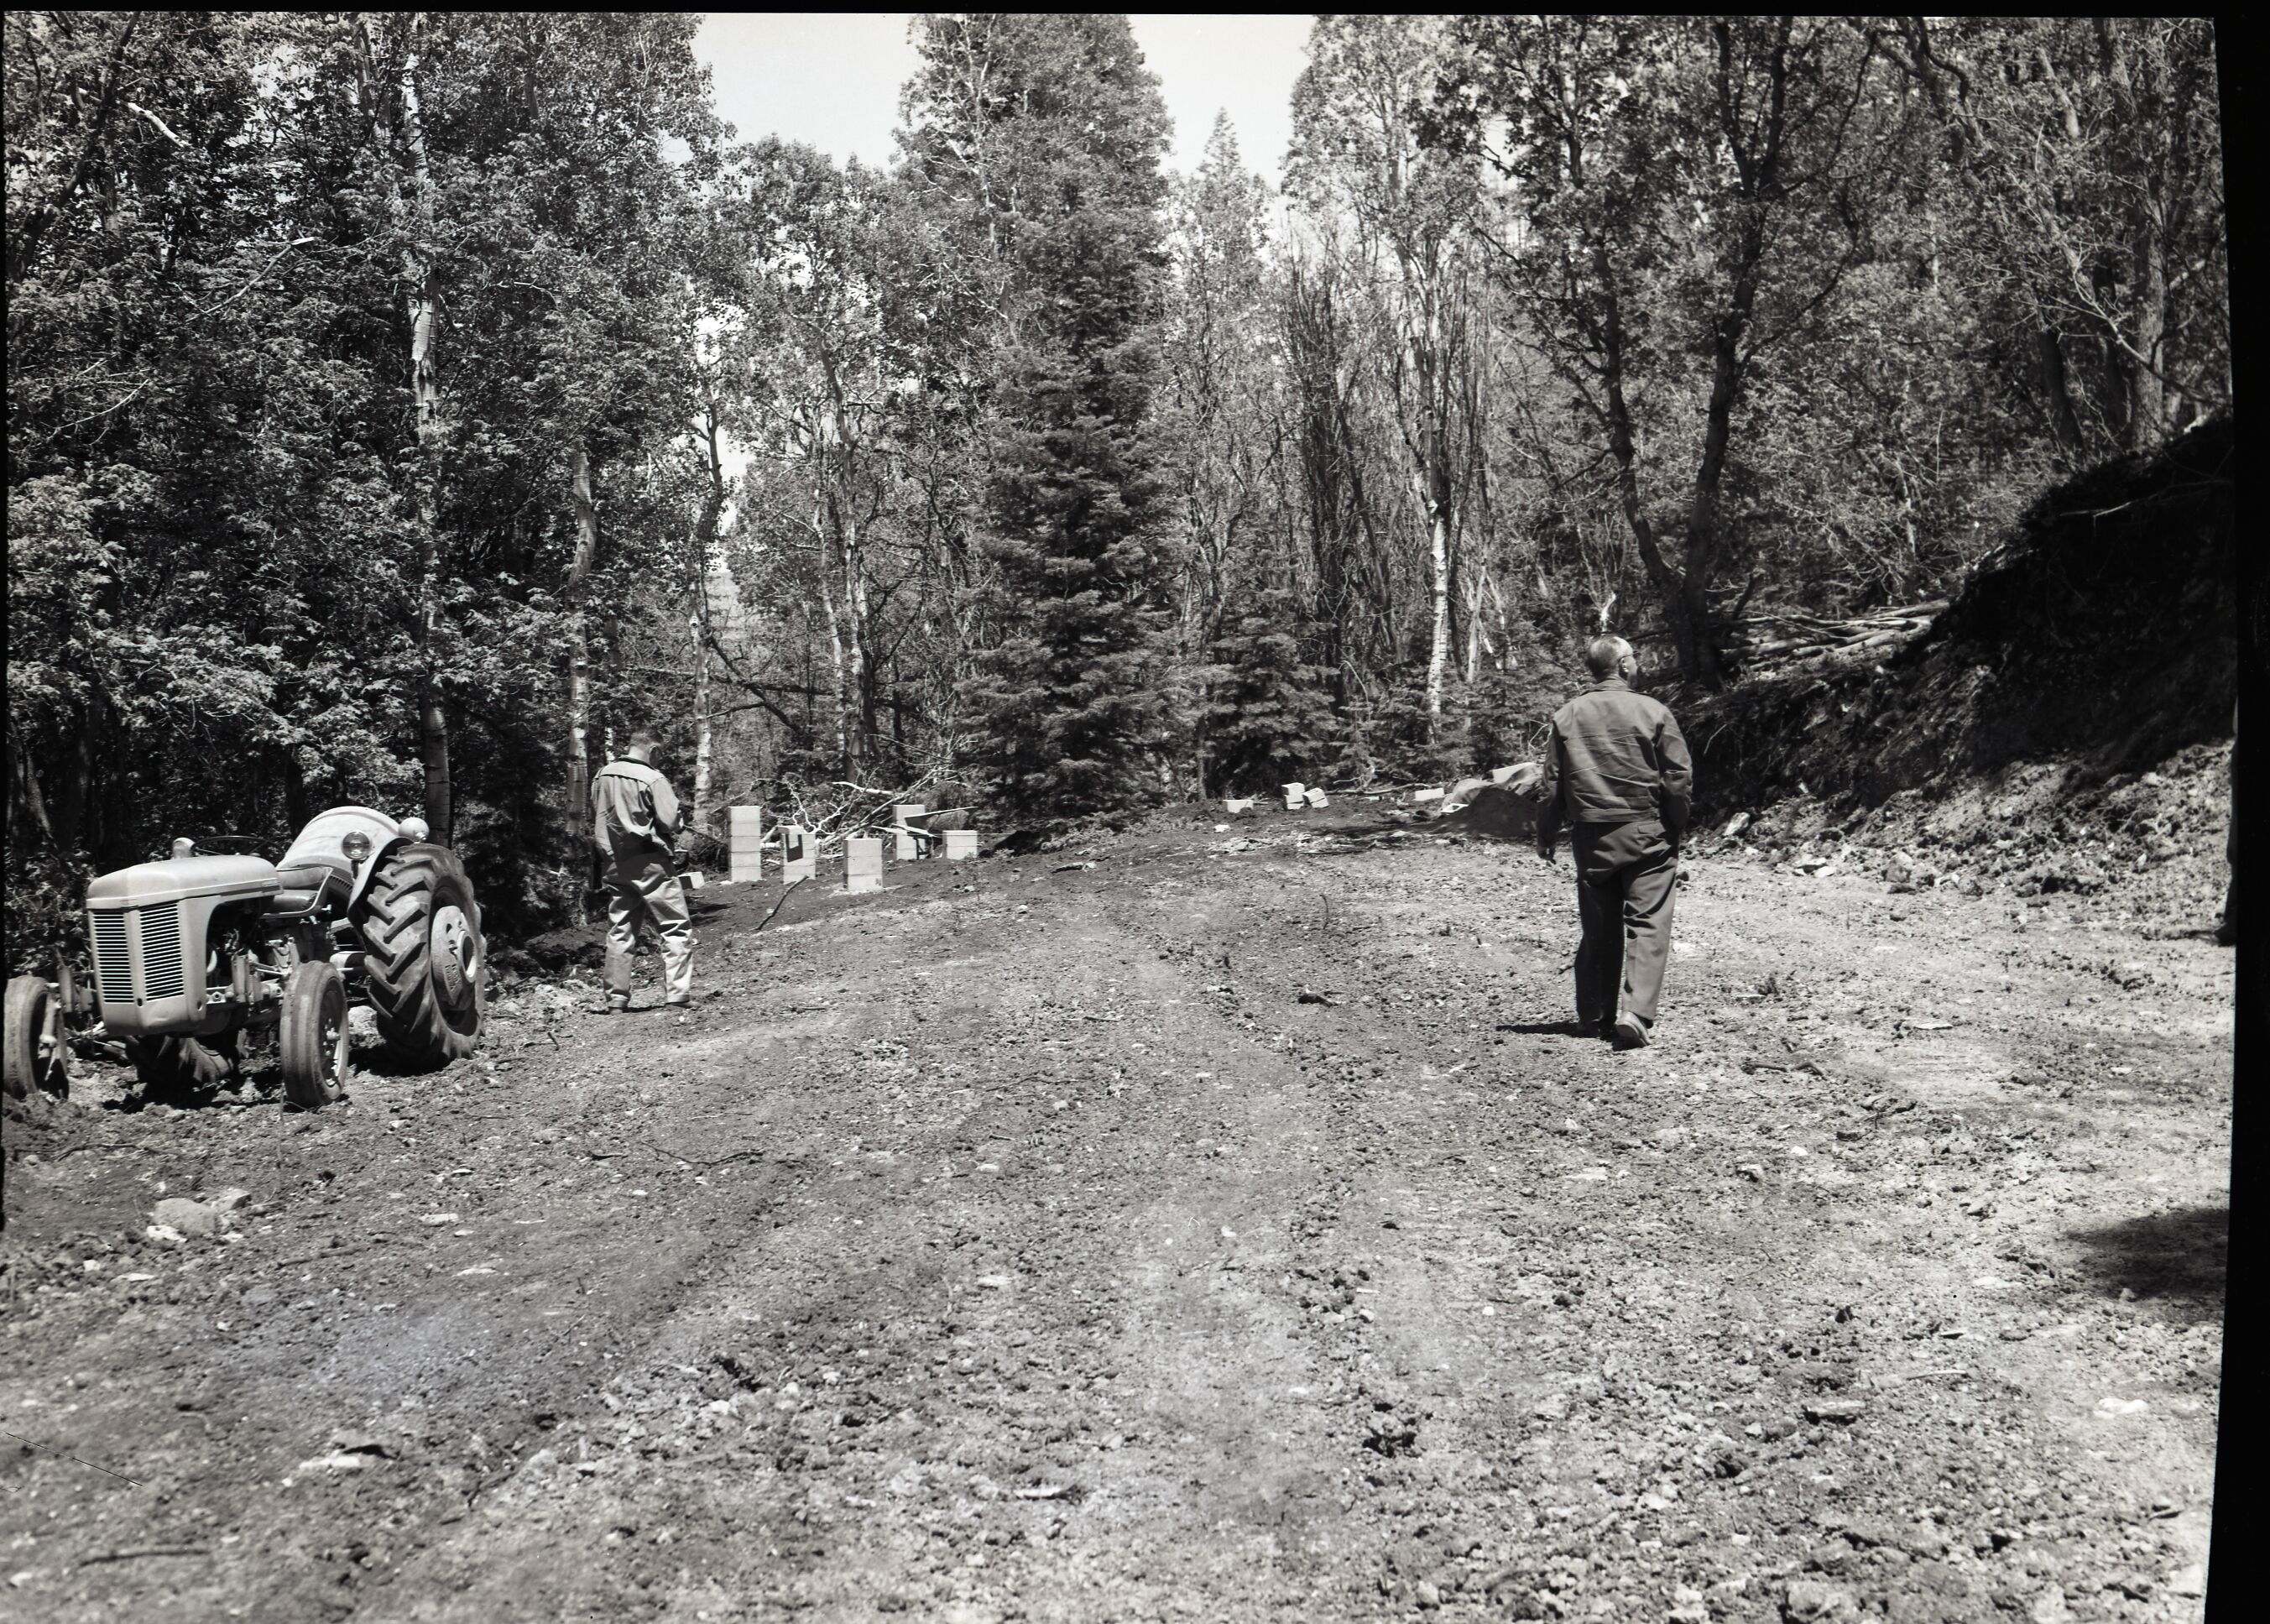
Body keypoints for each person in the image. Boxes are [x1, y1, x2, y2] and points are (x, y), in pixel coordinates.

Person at [1535, 635, 1693, 1049]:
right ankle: (1635, 1013)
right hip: (1647, 833)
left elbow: (1552, 784)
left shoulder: (1567, 715)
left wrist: (1547, 833)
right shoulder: (1653, 711)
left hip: (1591, 835)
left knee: (1598, 925)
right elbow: (1677, 777)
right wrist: (1676, 824)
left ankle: (1593, 1015)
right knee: (1648, 922)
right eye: (1635, 659)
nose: (1638, 664)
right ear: (1623, 665)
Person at [590, 728, 695, 1012]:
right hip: (650, 863)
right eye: (659, 755)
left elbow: (599, 814)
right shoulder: (653, 778)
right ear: (654, 750)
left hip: (613, 863)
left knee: (620, 930)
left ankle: (616, 999)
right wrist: (678, 823)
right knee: (675, 927)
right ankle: (677, 995)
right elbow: (671, 820)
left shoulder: (602, 775)